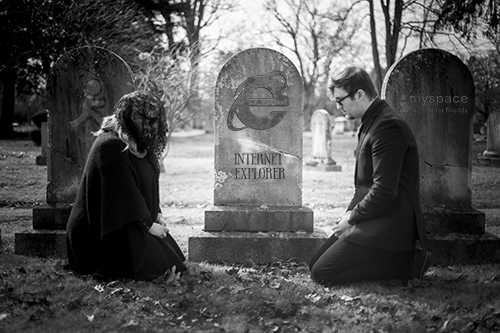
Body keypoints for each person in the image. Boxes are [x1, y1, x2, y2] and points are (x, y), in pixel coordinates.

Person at [309, 67, 431, 287]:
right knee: (314, 264)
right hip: (373, 216)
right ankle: (390, 259)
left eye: (340, 100)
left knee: (322, 273)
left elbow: (384, 190)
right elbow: (364, 185)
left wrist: (353, 217)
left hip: (390, 222)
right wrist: (348, 215)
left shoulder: (387, 125)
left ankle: (409, 261)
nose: (338, 107)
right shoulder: (371, 121)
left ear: (359, 94)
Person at [66, 91, 187, 281]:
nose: (149, 126)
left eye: (153, 120)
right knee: (160, 260)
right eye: (142, 119)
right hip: (100, 231)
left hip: (127, 218)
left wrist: (157, 214)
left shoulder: (142, 145)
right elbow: (123, 193)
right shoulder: (110, 146)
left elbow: (145, 185)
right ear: (128, 117)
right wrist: (148, 225)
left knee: (171, 256)